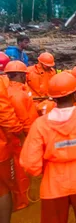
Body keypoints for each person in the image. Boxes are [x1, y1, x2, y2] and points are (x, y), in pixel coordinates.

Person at [20, 72, 76, 223]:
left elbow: (30, 164)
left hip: (53, 185)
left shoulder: (40, 125)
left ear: (53, 98)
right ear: (75, 95)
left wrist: (49, 168)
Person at [5, 61, 38, 211]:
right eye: (24, 75)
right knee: (20, 171)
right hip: (19, 140)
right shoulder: (17, 95)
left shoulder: (12, 91)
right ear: (18, 75)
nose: (26, 77)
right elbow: (24, 120)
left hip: (17, 138)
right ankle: (21, 201)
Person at [0, 53, 24, 223]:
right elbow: (6, 116)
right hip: (3, 146)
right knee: (3, 189)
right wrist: (21, 133)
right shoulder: (4, 87)